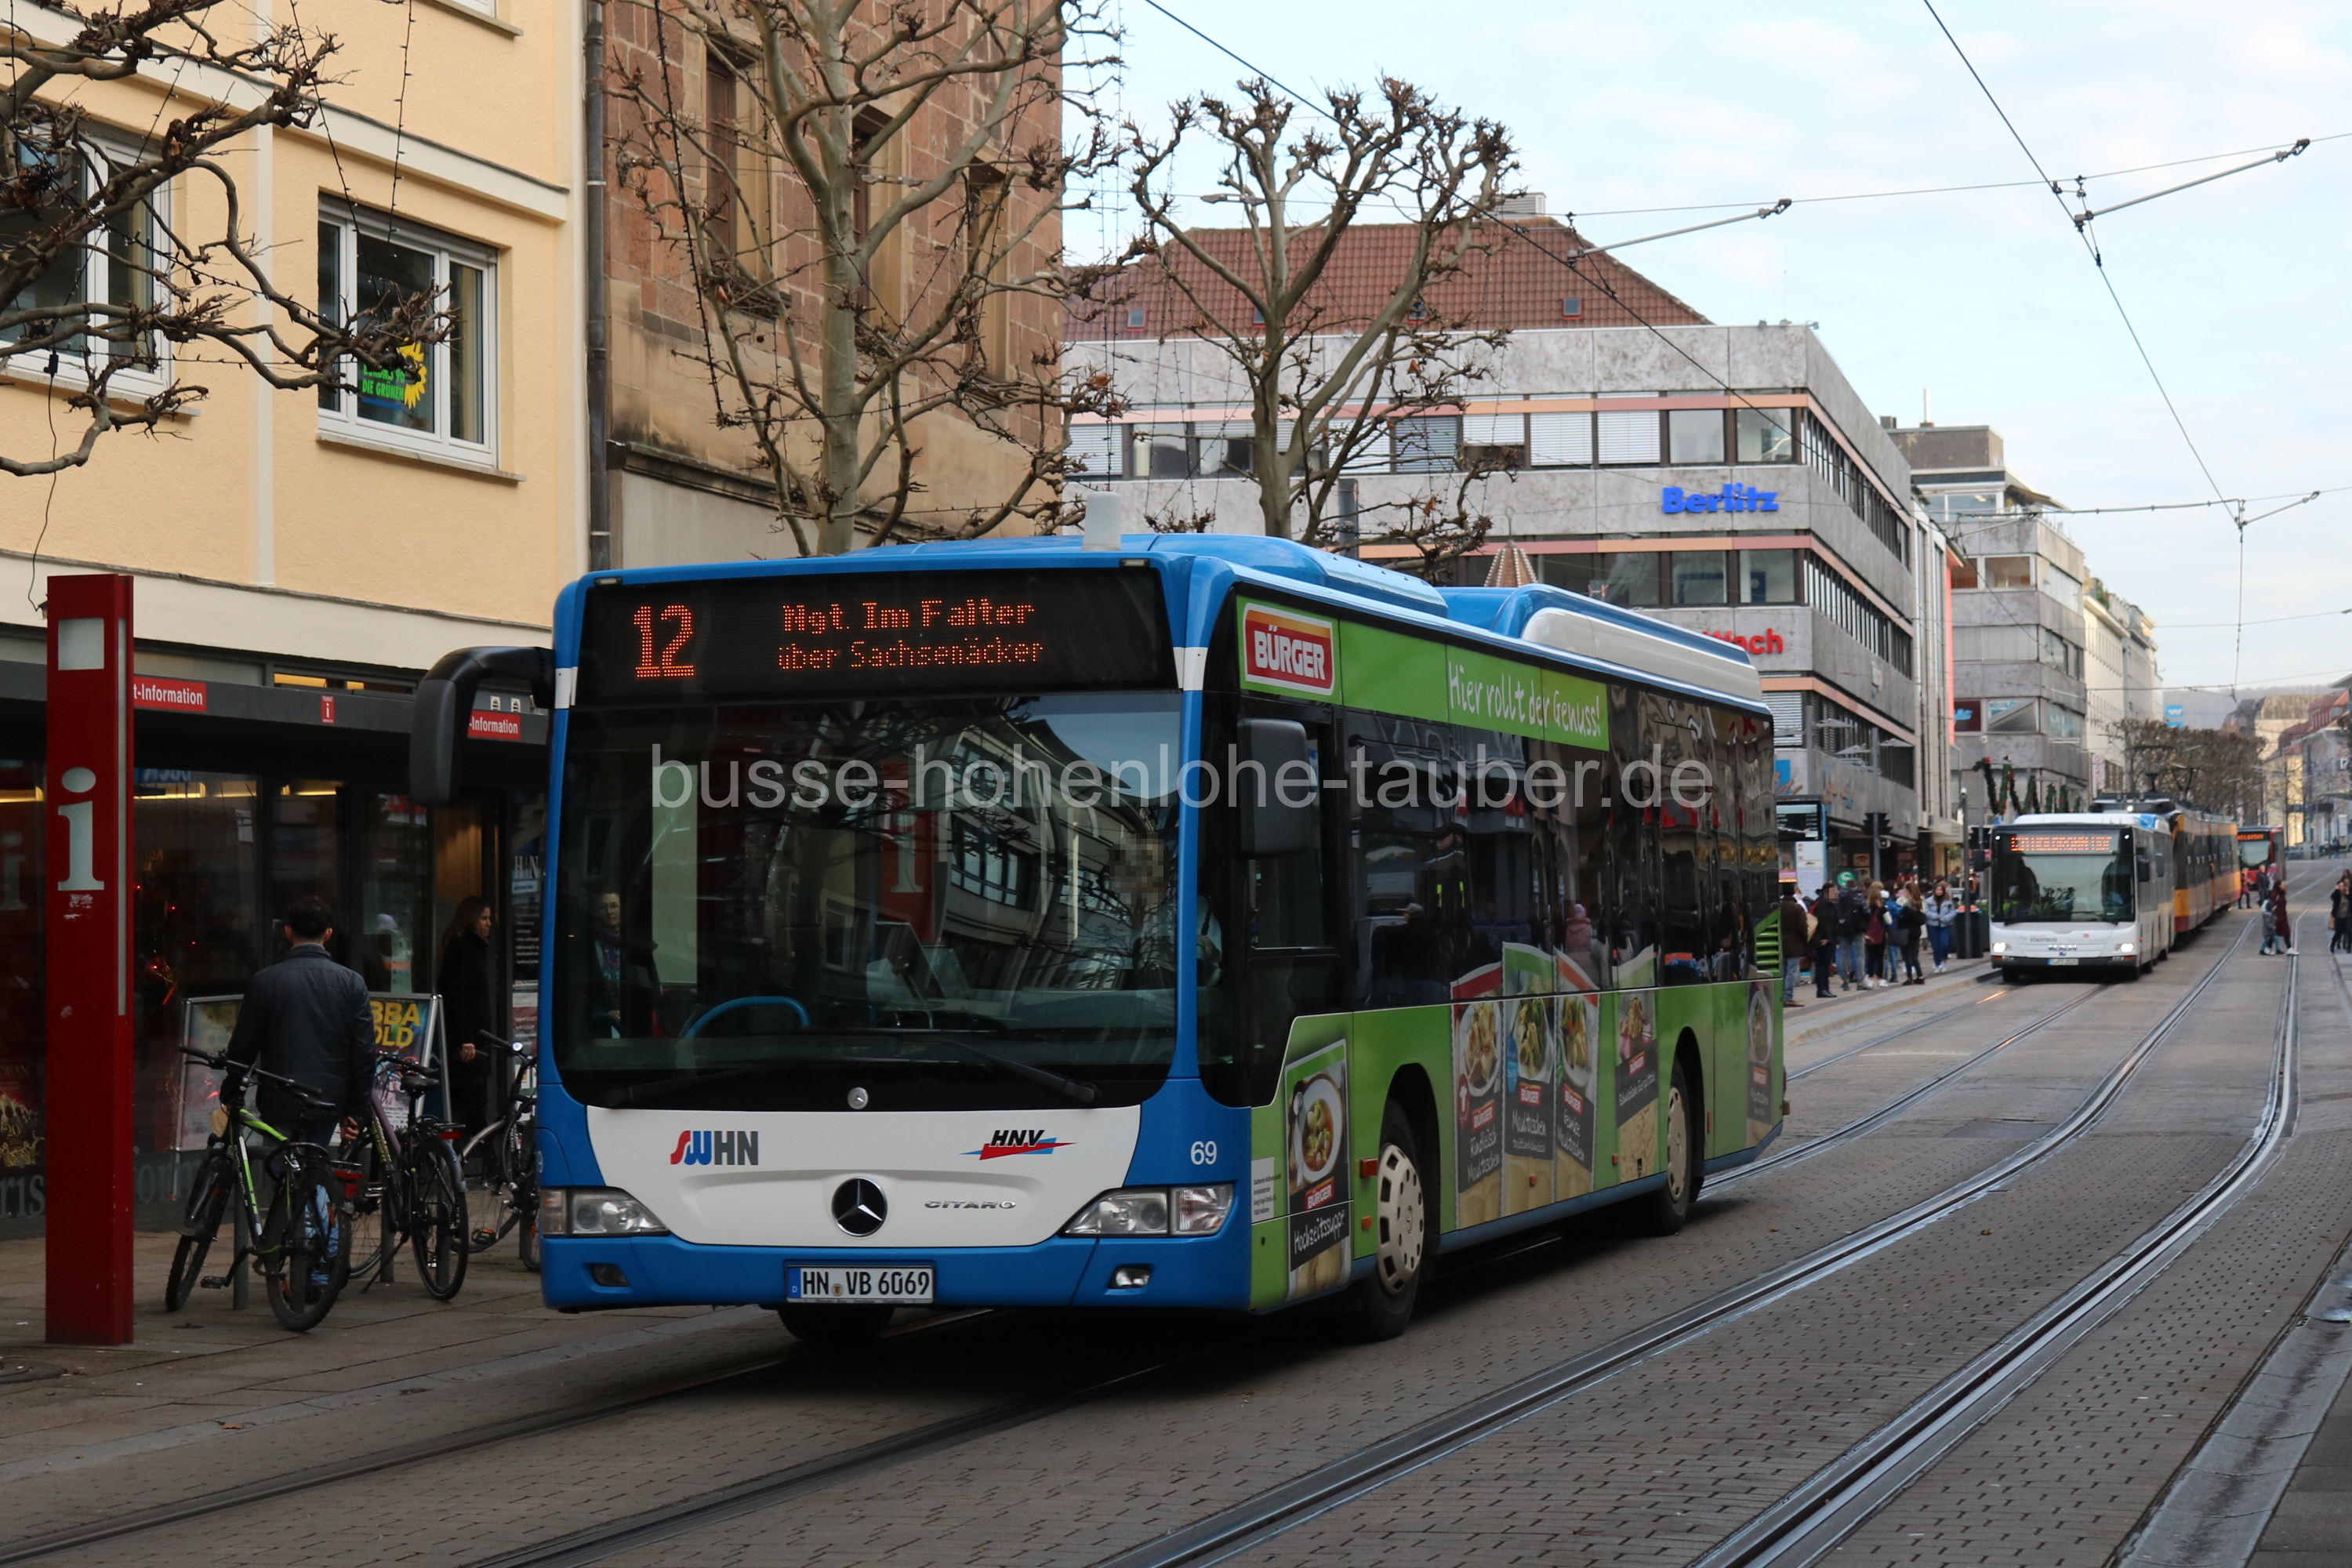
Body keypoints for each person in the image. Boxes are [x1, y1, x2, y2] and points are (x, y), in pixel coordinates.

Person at [223, 897, 374, 1288]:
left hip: (281, 1096)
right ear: (329, 933)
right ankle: (322, 1264)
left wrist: (231, 1088)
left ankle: (317, 1263)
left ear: (287, 931)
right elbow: (363, 1053)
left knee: (286, 1174)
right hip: (328, 1099)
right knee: (314, 1171)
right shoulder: (351, 982)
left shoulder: (266, 980)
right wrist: (357, 1110)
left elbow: (244, 1047)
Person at [439, 895, 500, 1134]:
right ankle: (471, 1150)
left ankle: (470, 1149)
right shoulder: (462, 948)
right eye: (484, 918)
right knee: (471, 1105)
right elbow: (456, 996)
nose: (489, 923)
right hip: (468, 1044)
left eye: (489, 918)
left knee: (472, 1102)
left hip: (473, 1041)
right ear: (471, 918)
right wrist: (466, 1038)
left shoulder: (473, 948)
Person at [1777, 881, 1811, 1007]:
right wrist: (1806, 938)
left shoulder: (1777, 907)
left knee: (1783, 971)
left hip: (1780, 943)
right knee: (1791, 971)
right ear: (1793, 892)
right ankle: (1788, 997)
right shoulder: (1797, 908)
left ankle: (1780, 996)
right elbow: (1803, 927)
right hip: (1795, 943)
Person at [1836, 874, 1867, 992]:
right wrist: (1864, 923)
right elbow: (1867, 911)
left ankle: (1845, 981)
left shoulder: (1838, 897)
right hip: (1857, 928)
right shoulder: (1858, 897)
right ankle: (1860, 981)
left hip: (1842, 928)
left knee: (1844, 954)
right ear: (1855, 886)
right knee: (1859, 955)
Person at [1810, 884, 1841, 1000]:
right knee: (1822, 965)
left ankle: (1825, 988)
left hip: (1829, 939)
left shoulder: (1828, 903)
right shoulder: (1823, 904)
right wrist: (1826, 937)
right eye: (1835, 891)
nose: (1837, 893)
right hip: (1824, 940)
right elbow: (1822, 922)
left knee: (1825, 964)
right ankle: (1822, 989)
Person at [1925, 879, 1959, 974]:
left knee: (1944, 944)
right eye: (1937, 890)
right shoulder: (1928, 901)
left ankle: (1944, 961)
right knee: (1935, 946)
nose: (1939, 892)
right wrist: (1936, 916)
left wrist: (1945, 918)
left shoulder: (1948, 902)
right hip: (1933, 925)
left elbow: (1953, 912)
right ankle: (1937, 963)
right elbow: (1926, 912)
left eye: (1940, 890)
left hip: (1945, 925)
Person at [1894, 887, 1926, 985]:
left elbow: (1900, 921)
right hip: (1916, 932)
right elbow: (1922, 920)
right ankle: (1920, 975)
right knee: (1913, 955)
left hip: (1907, 933)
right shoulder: (1918, 907)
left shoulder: (1906, 909)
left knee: (1907, 955)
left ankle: (1910, 978)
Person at [2269, 878, 2293, 956]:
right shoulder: (2275, 894)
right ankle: (2267, 948)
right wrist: (2274, 915)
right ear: (2279, 886)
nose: (2285, 885)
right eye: (2283, 884)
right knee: (2276, 933)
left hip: (2282, 916)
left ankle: (2289, 948)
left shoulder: (2281, 894)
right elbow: (2272, 905)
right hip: (2278, 917)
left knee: (2282, 933)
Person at [2330, 872, 2351, 955]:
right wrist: (2336, 890)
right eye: (2341, 886)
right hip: (2339, 916)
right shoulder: (2337, 895)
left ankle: (2349, 948)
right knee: (2338, 932)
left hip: (2348, 916)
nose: (2342, 887)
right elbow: (2332, 897)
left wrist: (2348, 894)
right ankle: (2332, 945)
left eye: (2343, 886)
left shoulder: (2348, 894)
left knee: (2349, 931)